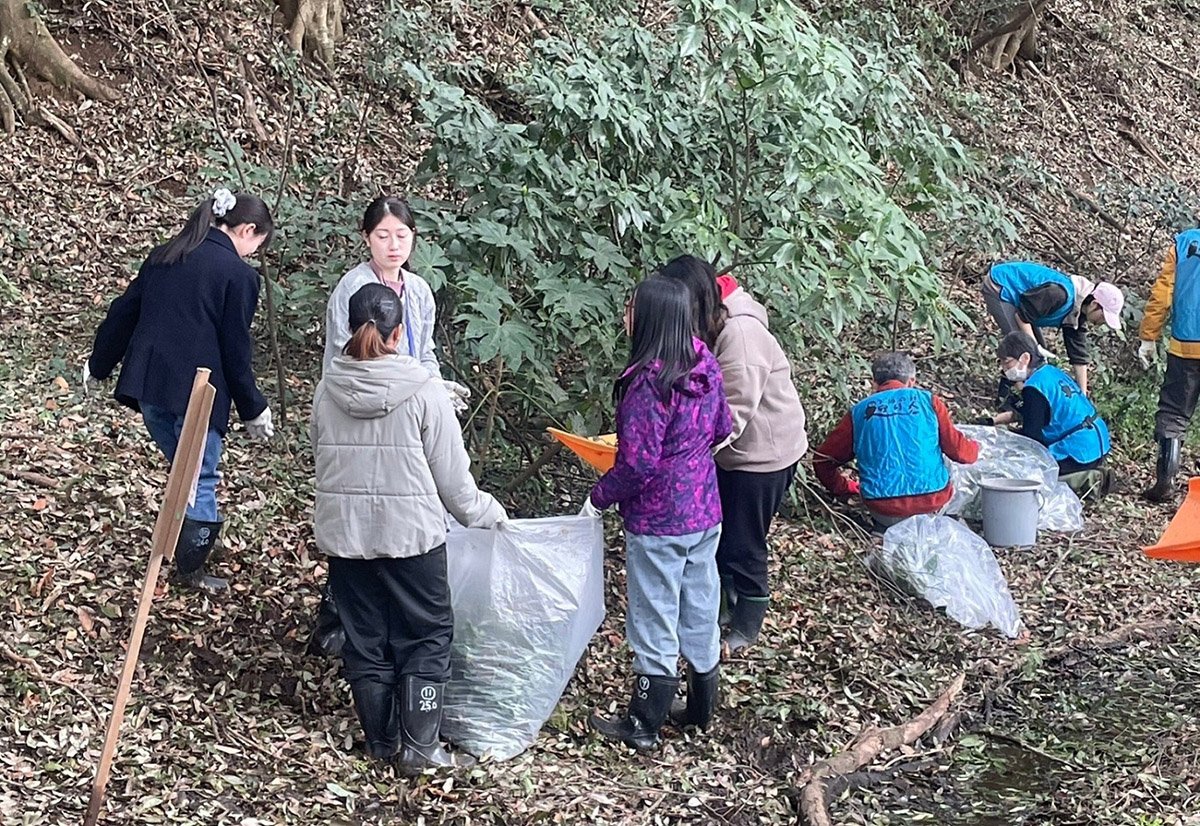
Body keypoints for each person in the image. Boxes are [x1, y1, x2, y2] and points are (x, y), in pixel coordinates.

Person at [311, 283, 507, 769]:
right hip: (411, 539)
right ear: (399, 333)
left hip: (347, 538)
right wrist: (490, 516)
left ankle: (381, 745)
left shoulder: (327, 388)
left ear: (349, 329)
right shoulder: (422, 389)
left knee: (366, 638)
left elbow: (320, 458)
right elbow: (454, 485)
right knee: (427, 637)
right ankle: (420, 748)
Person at [84, 188, 275, 593]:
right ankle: (190, 568)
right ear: (247, 230)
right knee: (199, 478)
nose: (253, 253)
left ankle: (181, 541)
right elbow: (236, 348)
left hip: (151, 387)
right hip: (198, 394)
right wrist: (254, 407)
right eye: (257, 244)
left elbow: (123, 312)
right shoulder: (238, 276)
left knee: (184, 473)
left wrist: (98, 364)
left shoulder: (165, 254)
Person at [588, 275, 732, 751]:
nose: (625, 316)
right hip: (704, 507)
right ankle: (700, 709)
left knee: (654, 612)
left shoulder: (649, 383)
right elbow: (721, 427)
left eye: (630, 308)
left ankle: (644, 723)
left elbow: (638, 463)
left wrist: (600, 496)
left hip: (658, 517)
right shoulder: (704, 362)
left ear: (648, 318)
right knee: (700, 601)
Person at [660, 256, 807, 656]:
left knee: (744, 541)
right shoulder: (716, 320)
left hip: (762, 454)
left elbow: (733, 411)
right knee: (721, 534)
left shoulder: (740, 333)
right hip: (733, 452)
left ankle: (747, 623)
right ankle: (723, 610)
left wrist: (686, 456)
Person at [322, 195, 469, 411]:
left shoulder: (419, 290)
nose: (394, 245)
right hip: (357, 399)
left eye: (402, 235)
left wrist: (435, 388)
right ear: (367, 237)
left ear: (413, 235)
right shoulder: (353, 287)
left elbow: (425, 351)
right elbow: (343, 354)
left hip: (412, 404)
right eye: (383, 236)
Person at [814, 353, 979, 530]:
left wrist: (845, 488)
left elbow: (822, 460)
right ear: (912, 381)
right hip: (932, 503)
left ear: (874, 383)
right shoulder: (929, 402)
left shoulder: (859, 412)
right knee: (942, 456)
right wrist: (975, 447)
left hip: (883, 509)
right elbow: (960, 453)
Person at [992, 332, 1113, 495]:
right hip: (1098, 441)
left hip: (1078, 450)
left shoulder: (1034, 389)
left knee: (1024, 469)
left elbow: (1032, 439)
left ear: (1025, 358)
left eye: (1007, 363)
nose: (1005, 369)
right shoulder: (1051, 371)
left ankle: (1087, 478)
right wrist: (994, 422)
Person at [982, 261, 1124, 398]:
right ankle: (1015, 396)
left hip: (1023, 307)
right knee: (1022, 348)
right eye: (1103, 316)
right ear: (1094, 304)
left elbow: (1078, 356)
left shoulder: (1078, 313)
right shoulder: (1060, 295)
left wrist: (1082, 394)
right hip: (1001, 286)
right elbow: (1022, 317)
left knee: (1037, 353)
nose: (1103, 322)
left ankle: (1019, 389)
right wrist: (1034, 349)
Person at [1138, 227, 1200, 501]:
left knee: (1174, 411)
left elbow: (1162, 294)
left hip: (1185, 346)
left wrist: (1148, 337)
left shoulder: (1184, 243)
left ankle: (1165, 480)